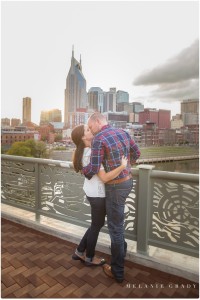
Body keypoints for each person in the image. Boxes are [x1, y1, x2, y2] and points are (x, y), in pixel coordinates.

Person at [82, 112, 141, 282]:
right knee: (118, 223)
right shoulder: (123, 132)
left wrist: (81, 170)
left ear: (98, 121)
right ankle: (121, 250)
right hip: (127, 183)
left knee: (115, 228)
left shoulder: (99, 138)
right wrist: (126, 167)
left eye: (91, 126)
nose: (91, 130)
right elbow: (136, 153)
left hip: (114, 187)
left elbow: (93, 168)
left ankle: (118, 271)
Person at [71, 124, 128, 266]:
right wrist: (122, 166)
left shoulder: (84, 151)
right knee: (96, 226)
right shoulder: (91, 153)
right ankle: (89, 258)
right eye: (88, 130)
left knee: (96, 224)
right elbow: (105, 178)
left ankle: (79, 251)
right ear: (84, 137)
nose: (92, 130)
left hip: (92, 191)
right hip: (97, 194)